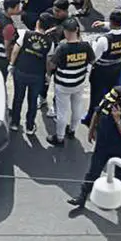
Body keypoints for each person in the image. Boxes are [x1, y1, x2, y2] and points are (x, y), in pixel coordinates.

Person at [67, 86, 121, 208]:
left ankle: (116, 198)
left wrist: (117, 120)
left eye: (112, 100)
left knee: (119, 175)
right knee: (93, 172)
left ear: (120, 100)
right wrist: (91, 129)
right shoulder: (106, 102)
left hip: (119, 149)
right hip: (103, 146)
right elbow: (97, 112)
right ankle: (82, 197)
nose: (109, 102)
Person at [46, 18, 94, 146]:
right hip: (79, 82)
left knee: (62, 112)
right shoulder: (86, 46)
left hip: (63, 84)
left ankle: (60, 137)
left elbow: (52, 65)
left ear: (65, 32)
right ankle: (72, 130)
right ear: (77, 30)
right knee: (77, 107)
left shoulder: (62, 47)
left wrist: (49, 74)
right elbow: (92, 61)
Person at [9, 12, 56, 134]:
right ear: (49, 27)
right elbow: (48, 61)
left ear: (38, 22)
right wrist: (48, 75)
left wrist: (11, 64)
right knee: (33, 100)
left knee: (18, 98)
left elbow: (15, 51)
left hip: (21, 71)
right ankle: (30, 126)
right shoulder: (50, 43)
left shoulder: (24, 34)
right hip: (37, 76)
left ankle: (14, 123)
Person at [85, 11, 121, 124]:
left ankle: (91, 118)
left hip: (101, 71)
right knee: (112, 94)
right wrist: (104, 24)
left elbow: (94, 58)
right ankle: (108, 114)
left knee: (96, 96)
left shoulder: (104, 40)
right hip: (116, 68)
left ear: (111, 21)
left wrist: (93, 45)